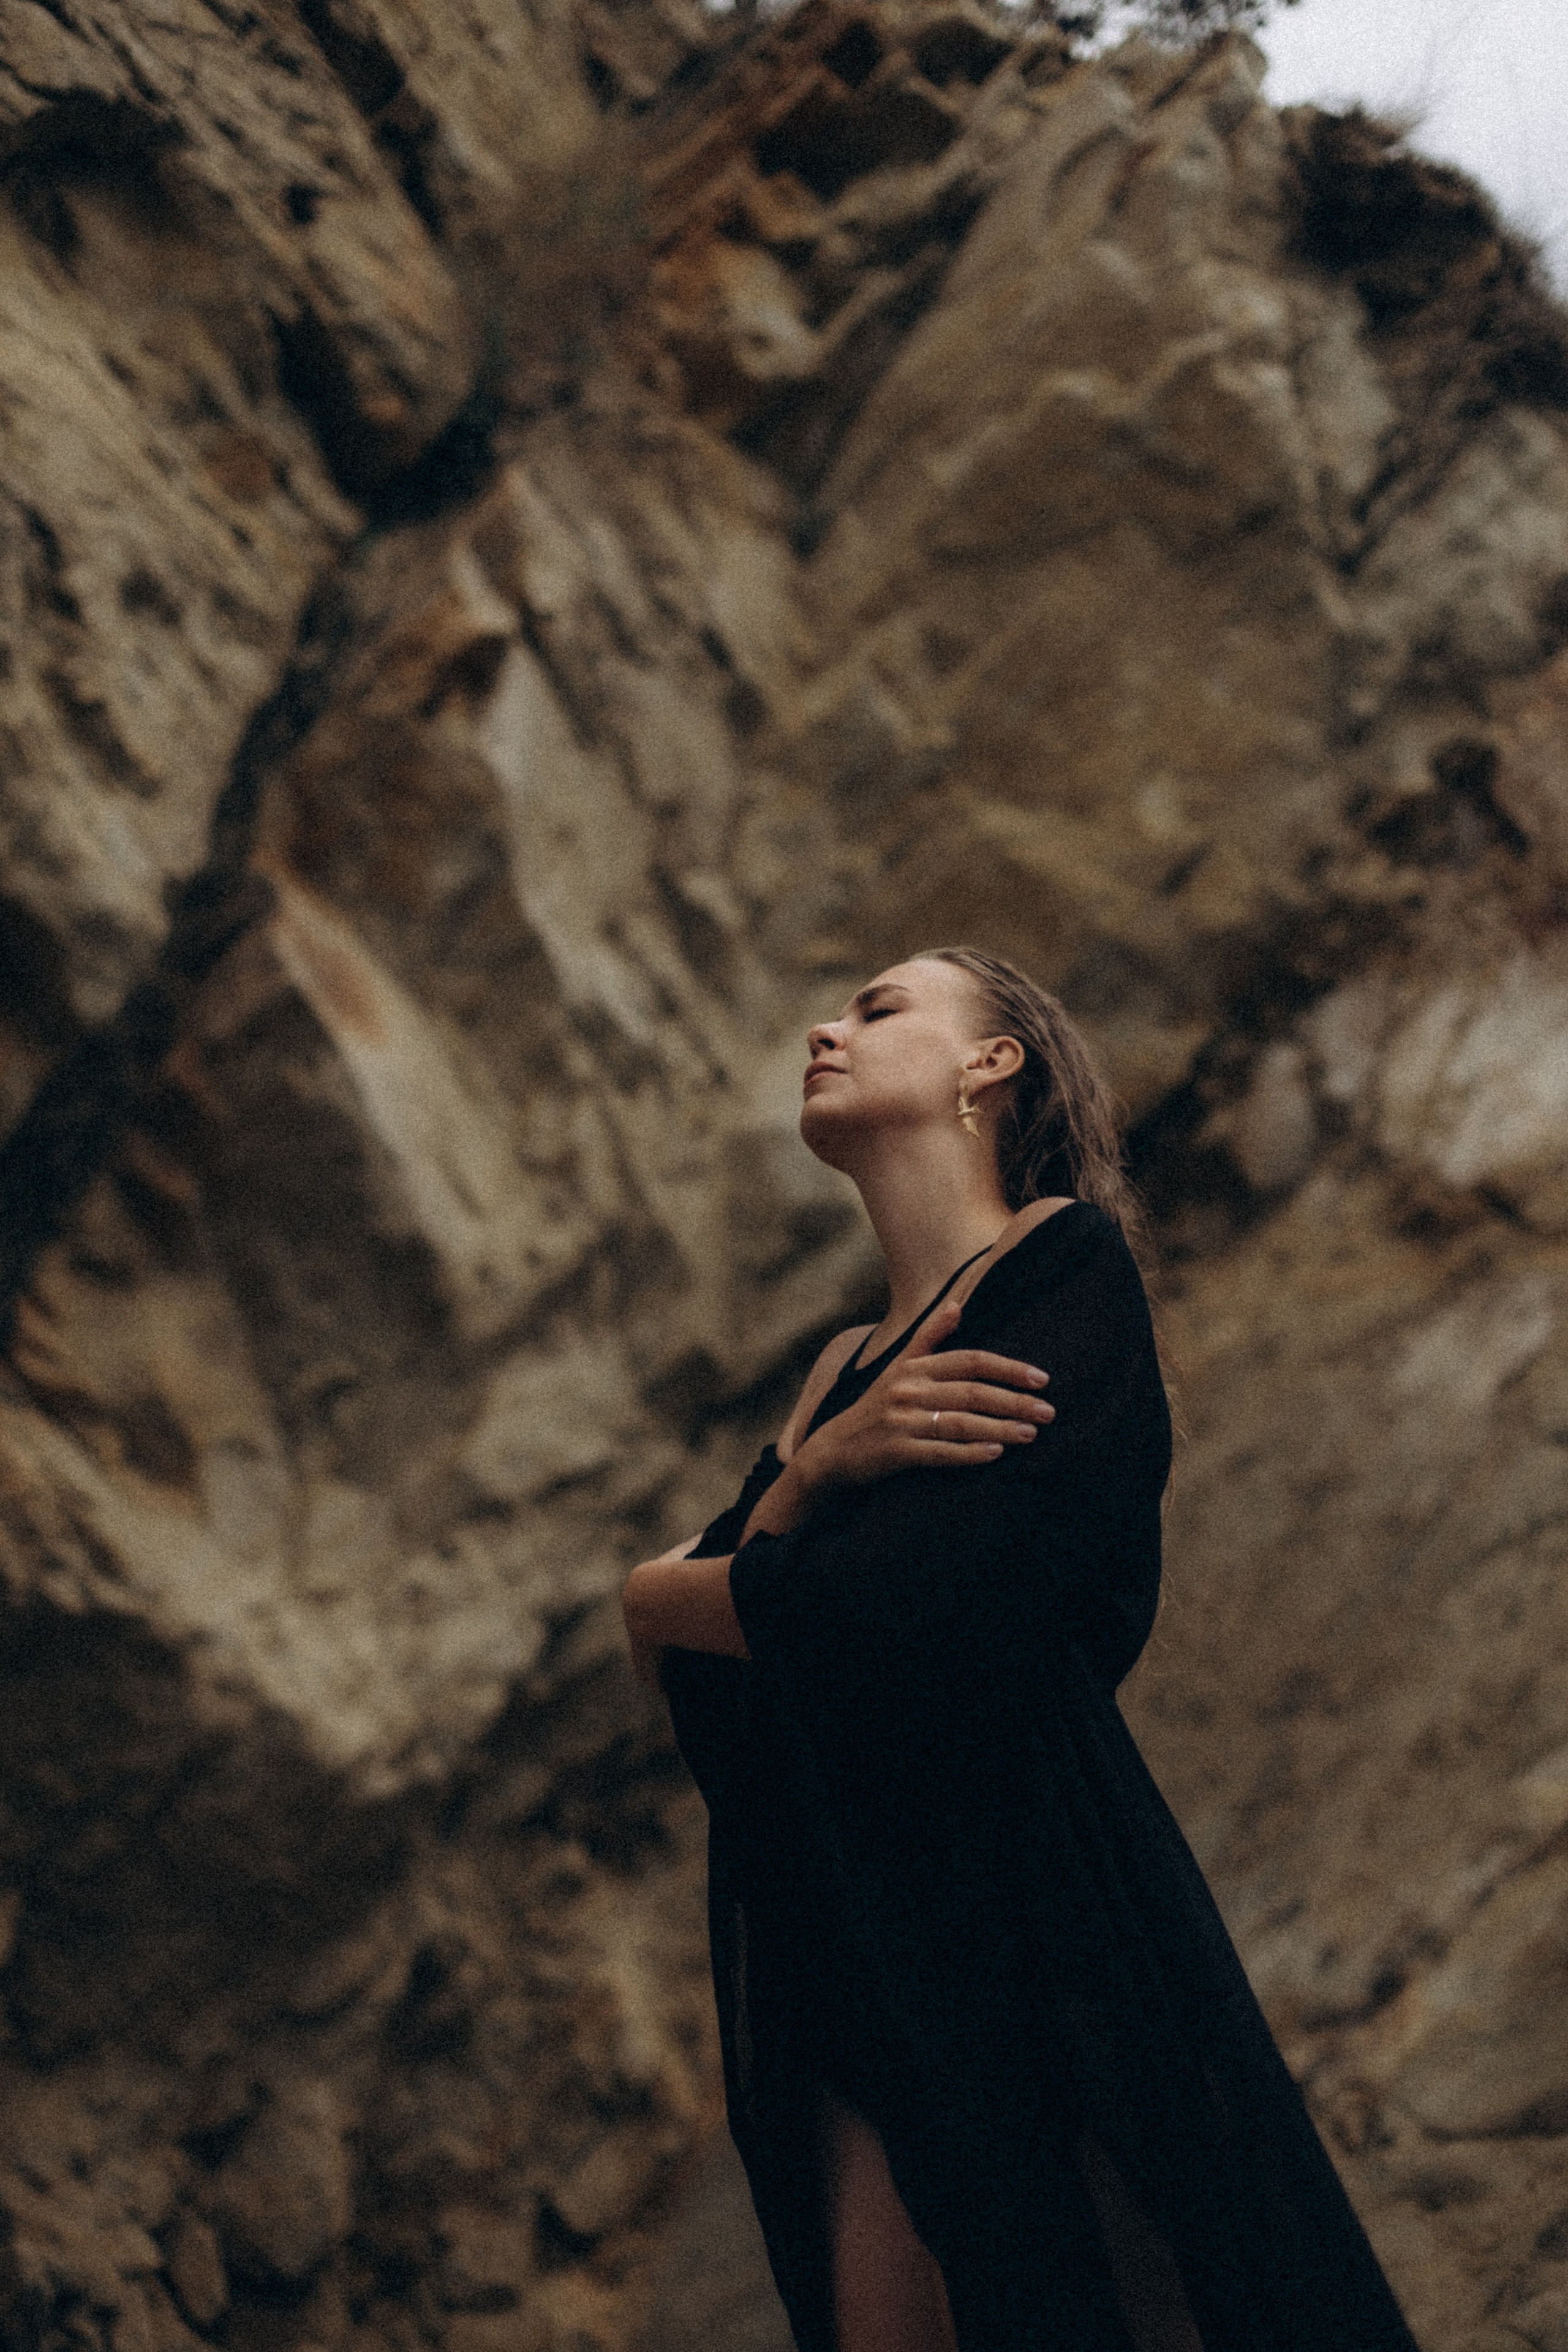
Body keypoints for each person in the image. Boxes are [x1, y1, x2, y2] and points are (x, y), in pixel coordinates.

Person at [620, 948, 1419, 2352]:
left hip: (1025, 1890)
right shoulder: (836, 1374)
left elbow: (920, 1605)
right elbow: (697, 1661)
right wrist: (814, 1481)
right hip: (840, 1908)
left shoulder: (1062, 1265)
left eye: (878, 1010)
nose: (824, 1026)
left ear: (990, 1067)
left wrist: (704, 1584)